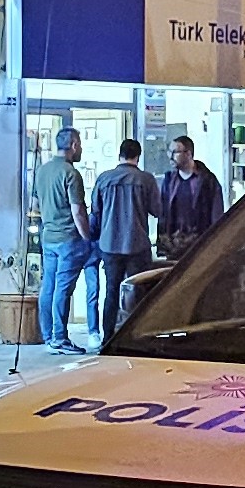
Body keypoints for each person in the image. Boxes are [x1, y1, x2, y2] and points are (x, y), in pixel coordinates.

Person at [29, 127, 93, 351]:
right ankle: (60, 337)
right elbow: (78, 211)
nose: (81, 148)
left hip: (48, 238)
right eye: (80, 144)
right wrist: (87, 238)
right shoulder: (71, 173)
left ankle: (48, 337)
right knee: (63, 289)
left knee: (48, 286)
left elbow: (35, 204)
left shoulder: (42, 171)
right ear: (74, 145)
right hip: (69, 239)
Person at [86, 137, 155, 339]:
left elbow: (95, 211)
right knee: (138, 292)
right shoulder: (146, 179)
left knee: (111, 291)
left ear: (120, 155)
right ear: (138, 156)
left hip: (109, 245)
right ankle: (136, 336)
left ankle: (108, 337)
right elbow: (157, 210)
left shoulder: (104, 179)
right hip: (138, 244)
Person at [151, 133, 227, 264]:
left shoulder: (208, 181)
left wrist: (214, 244)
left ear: (189, 154)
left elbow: (216, 215)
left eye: (175, 152)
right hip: (174, 247)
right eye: (169, 151)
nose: (170, 156)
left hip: (199, 245)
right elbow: (163, 214)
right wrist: (163, 243)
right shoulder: (169, 181)